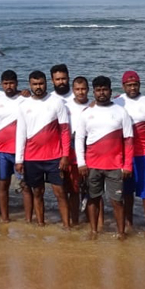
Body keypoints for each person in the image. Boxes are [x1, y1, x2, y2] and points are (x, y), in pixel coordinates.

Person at [75, 76, 133, 239]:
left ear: (110, 91)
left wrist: (127, 164)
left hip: (115, 165)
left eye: (105, 89)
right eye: (98, 90)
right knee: (93, 199)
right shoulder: (87, 113)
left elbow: (128, 140)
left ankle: (121, 233)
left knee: (117, 201)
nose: (102, 93)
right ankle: (94, 231)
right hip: (92, 165)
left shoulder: (121, 112)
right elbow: (79, 139)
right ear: (93, 92)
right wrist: (81, 163)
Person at [17, 70, 71, 227]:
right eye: (35, 84)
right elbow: (21, 133)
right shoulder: (24, 105)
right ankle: (41, 224)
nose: (38, 87)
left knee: (60, 193)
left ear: (46, 83)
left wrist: (65, 155)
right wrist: (19, 160)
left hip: (54, 157)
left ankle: (67, 226)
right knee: (37, 192)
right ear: (30, 85)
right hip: (32, 158)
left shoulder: (56, 102)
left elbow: (65, 130)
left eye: (41, 83)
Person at [114, 71, 145, 235]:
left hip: (142, 155)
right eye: (129, 85)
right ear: (123, 86)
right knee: (126, 191)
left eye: (135, 85)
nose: (132, 88)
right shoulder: (117, 102)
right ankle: (129, 224)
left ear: (139, 85)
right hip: (123, 155)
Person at [0, 70, 28, 222]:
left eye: (12, 83)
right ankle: (5, 219)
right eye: (6, 83)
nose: (9, 86)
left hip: (21, 152)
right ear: (1, 84)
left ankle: (29, 218)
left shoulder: (25, 99)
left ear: (16, 83)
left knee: (25, 186)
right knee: (2, 185)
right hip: (2, 152)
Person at [63, 76, 91, 227]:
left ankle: (89, 219)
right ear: (73, 90)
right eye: (77, 89)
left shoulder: (94, 106)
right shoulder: (66, 106)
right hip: (72, 149)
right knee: (73, 189)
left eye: (83, 89)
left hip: (90, 148)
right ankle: (74, 221)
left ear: (88, 89)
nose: (81, 92)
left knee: (90, 188)